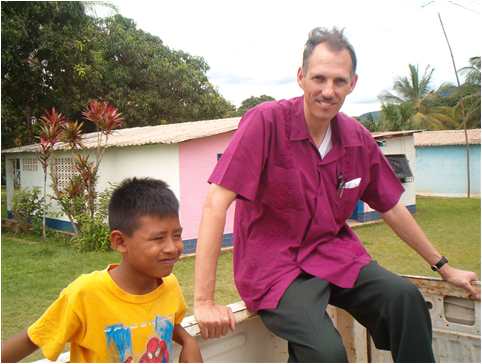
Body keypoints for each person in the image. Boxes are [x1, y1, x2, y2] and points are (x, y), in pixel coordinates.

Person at [193, 27, 480, 362]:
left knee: (405, 300)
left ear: (352, 84)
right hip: (275, 268)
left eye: (339, 81)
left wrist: (443, 267)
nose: (328, 91)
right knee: (326, 352)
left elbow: (391, 207)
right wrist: (203, 301)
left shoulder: (356, 138)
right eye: (319, 78)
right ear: (301, 77)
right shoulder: (265, 123)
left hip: (334, 254)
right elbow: (216, 203)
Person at [1, 178, 203, 363]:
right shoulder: (86, 293)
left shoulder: (169, 285)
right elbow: (34, 338)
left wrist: (188, 341)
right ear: (120, 241)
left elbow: (168, 323)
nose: (172, 247)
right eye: (158, 238)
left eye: (176, 235)